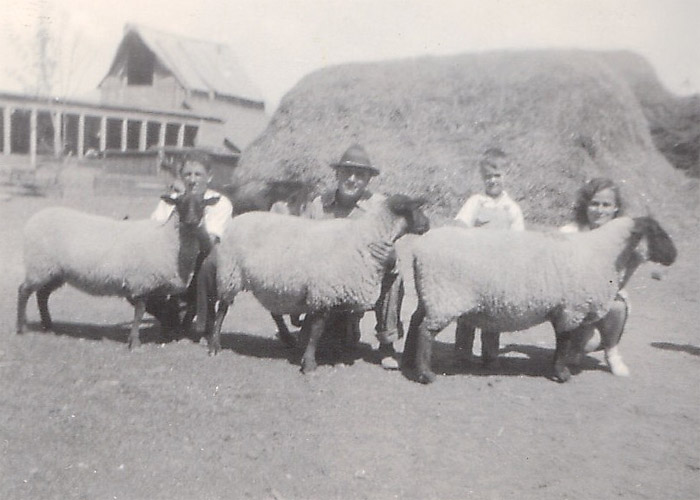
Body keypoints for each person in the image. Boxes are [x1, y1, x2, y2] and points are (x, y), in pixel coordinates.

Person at [300, 144, 404, 370]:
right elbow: (302, 246)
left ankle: (387, 343)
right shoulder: (319, 206)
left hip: (361, 282)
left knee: (394, 275)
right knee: (320, 346)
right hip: (325, 282)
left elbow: (391, 245)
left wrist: (390, 257)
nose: (352, 179)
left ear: (368, 180)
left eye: (360, 175)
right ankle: (331, 328)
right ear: (337, 174)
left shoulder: (379, 207)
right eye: (347, 172)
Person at [453, 148, 525, 367]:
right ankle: (462, 353)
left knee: (493, 312)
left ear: (507, 175)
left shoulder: (511, 208)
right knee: (467, 310)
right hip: (474, 264)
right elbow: (460, 224)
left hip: (498, 268)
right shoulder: (476, 201)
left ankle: (490, 354)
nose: (492, 180)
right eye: (487, 177)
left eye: (497, 175)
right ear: (482, 178)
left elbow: (519, 240)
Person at [150, 151, 233, 339]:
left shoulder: (219, 203)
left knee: (208, 264)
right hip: (174, 259)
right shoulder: (171, 200)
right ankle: (168, 315)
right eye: (187, 174)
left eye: (198, 174)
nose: (193, 180)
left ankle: (204, 322)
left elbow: (209, 243)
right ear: (181, 177)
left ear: (209, 177)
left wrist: (197, 223)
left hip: (203, 259)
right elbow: (155, 230)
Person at [559, 177, 636, 375]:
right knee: (588, 344)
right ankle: (575, 347)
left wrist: (633, 265)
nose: (599, 210)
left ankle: (612, 351)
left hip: (606, 297)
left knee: (617, 305)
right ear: (585, 205)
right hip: (575, 300)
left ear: (615, 208)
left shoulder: (623, 238)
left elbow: (618, 283)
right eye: (594, 203)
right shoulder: (570, 232)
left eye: (606, 205)